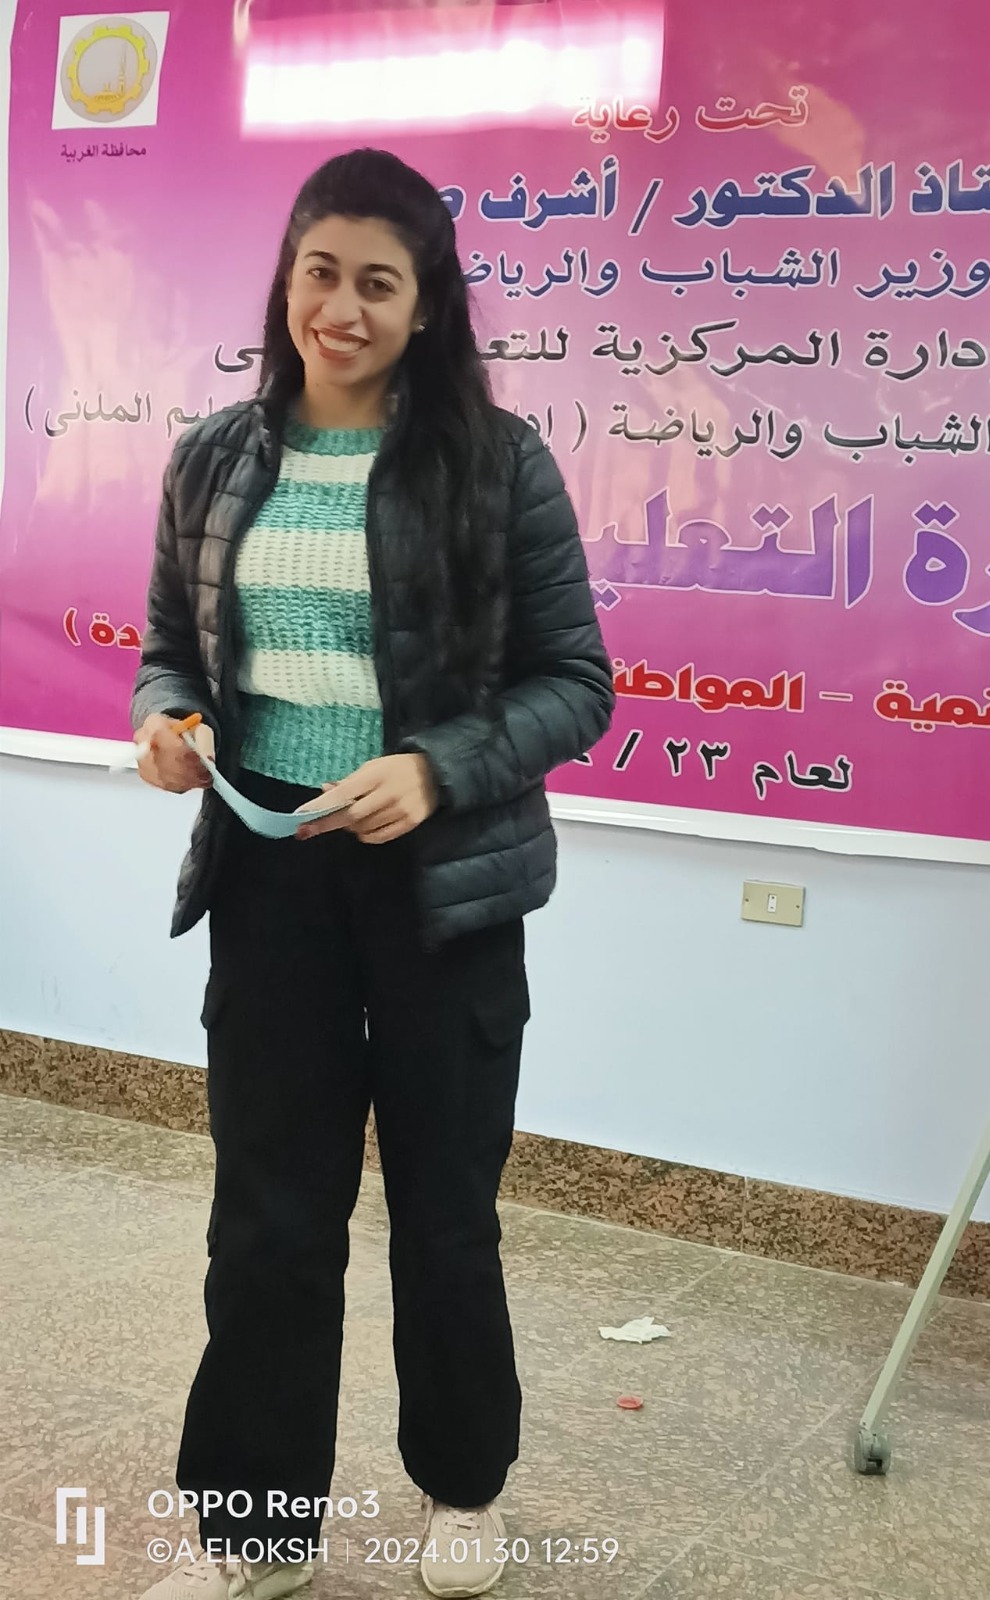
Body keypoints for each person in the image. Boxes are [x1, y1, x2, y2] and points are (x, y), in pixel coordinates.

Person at [130, 147, 614, 1600]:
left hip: (441, 879)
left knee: (445, 1203)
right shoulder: (216, 457)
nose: (341, 309)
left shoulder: (497, 463)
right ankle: (256, 1536)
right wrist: (168, 719)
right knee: (269, 1212)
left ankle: (461, 1491)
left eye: (378, 284)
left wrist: (436, 768)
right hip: (269, 868)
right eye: (320, 273)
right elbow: (171, 643)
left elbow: (576, 684)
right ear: (287, 278)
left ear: (426, 304)